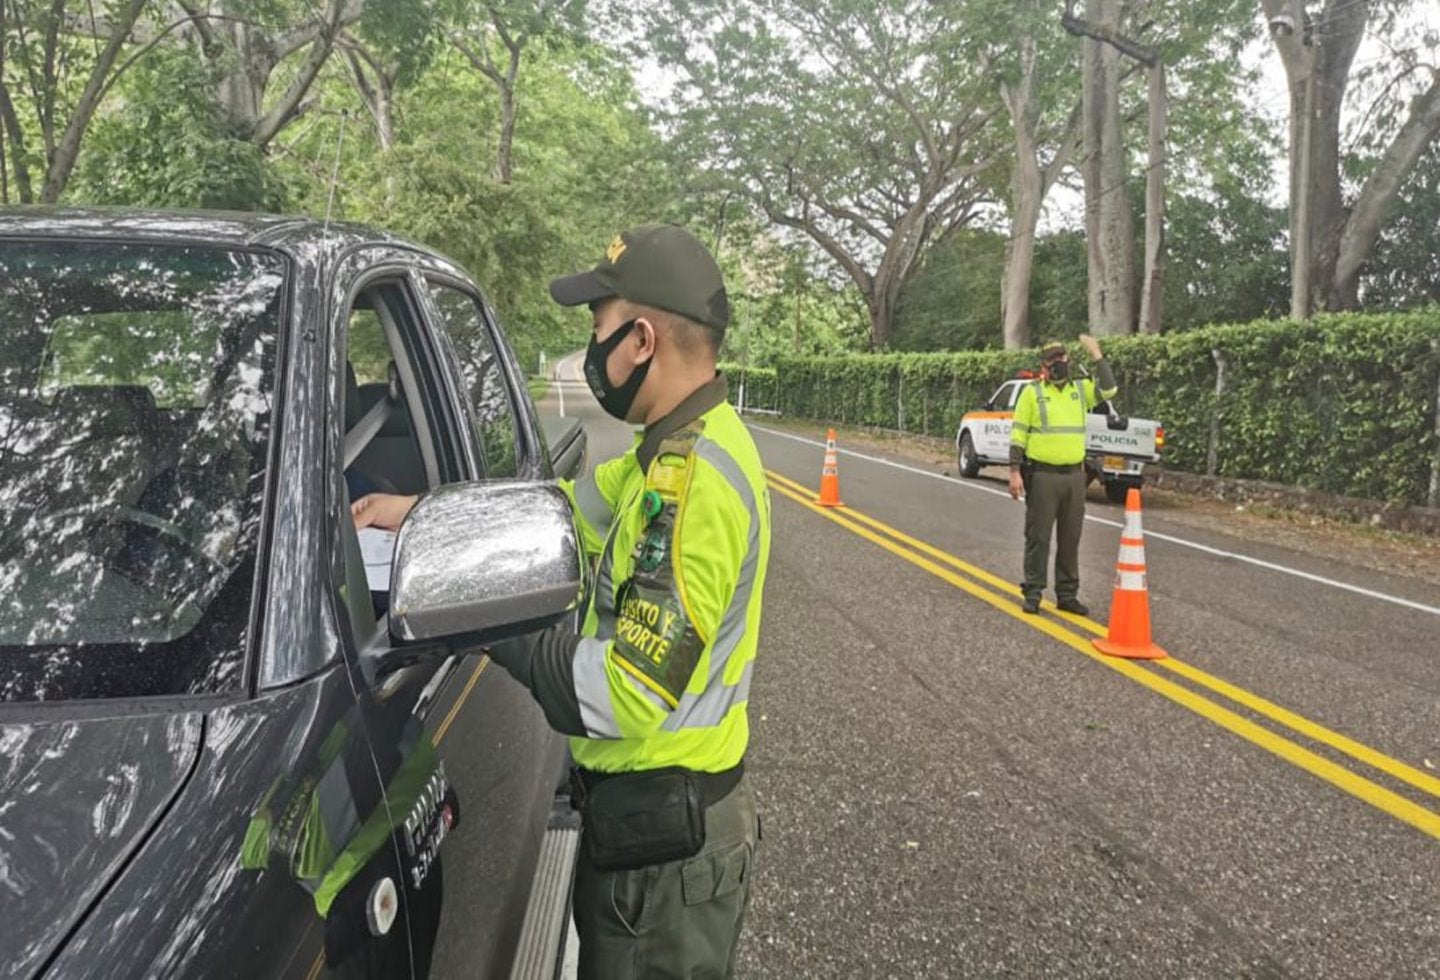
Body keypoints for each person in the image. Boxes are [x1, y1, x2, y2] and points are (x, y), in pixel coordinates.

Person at [351, 223, 770, 979]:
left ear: (641, 340)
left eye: (597, 329)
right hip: (648, 833)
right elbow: (561, 510)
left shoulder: (697, 484)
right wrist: (417, 510)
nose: (591, 351)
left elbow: (631, 692)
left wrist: (492, 626)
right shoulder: (665, 454)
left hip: (666, 864)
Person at [1008, 334, 1117, 616]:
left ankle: (1067, 594)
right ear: (1043, 365)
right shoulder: (1032, 393)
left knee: (1071, 538)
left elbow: (1110, 389)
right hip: (1043, 476)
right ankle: (1033, 592)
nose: (1059, 363)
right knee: (1039, 537)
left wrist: (1097, 354)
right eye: (1053, 359)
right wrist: (1014, 471)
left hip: (1074, 477)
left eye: (1063, 357)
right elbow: (1018, 434)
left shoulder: (1080, 391)